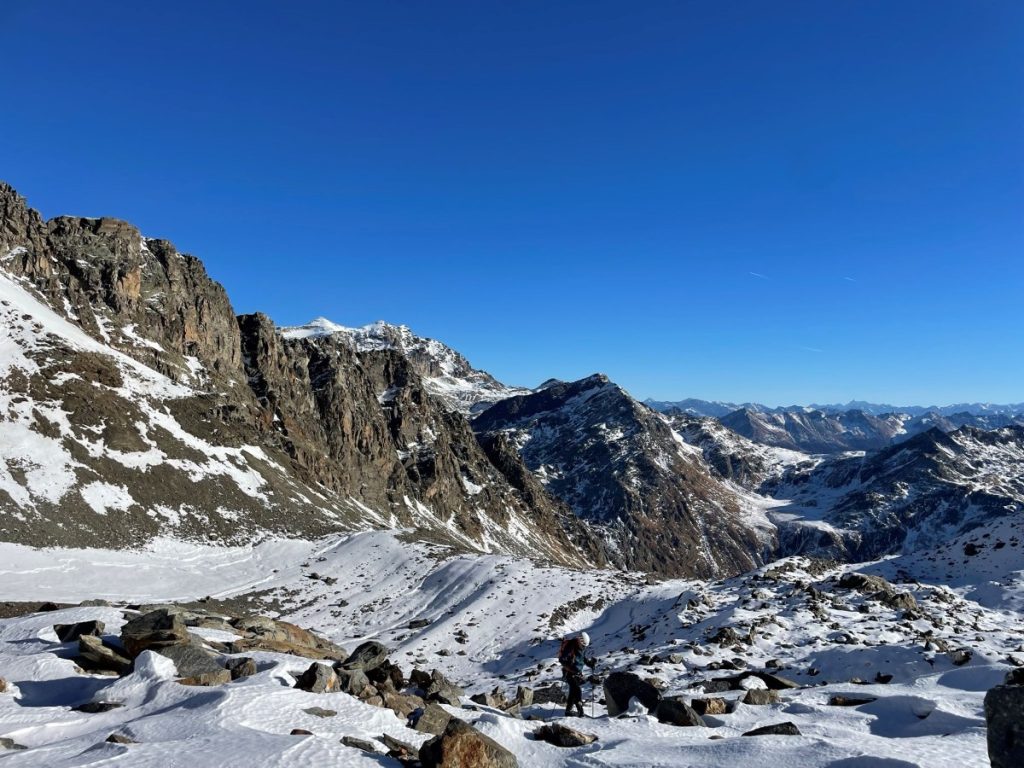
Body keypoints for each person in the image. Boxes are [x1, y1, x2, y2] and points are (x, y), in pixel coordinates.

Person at [558, 631, 596, 717]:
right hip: (569, 672)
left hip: (576, 672)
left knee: (572, 691)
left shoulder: (580, 647)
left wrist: (590, 664)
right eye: (584, 645)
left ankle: (568, 711)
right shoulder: (571, 645)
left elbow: (582, 658)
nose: (584, 647)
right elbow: (562, 659)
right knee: (577, 690)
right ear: (581, 641)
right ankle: (580, 712)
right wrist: (570, 667)